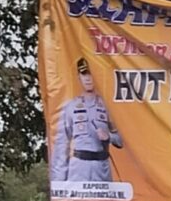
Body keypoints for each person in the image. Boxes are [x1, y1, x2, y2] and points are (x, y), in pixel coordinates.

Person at [51, 56, 125, 186]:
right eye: (84, 74)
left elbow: (121, 140)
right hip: (79, 168)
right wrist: (59, 182)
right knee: (79, 199)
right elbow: (62, 145)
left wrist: (109, 137)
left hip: (101, 167)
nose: (88, 78)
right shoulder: (71, 107)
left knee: (103, 199)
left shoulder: (108, 106)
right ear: (79, 77)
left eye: (91, 74)